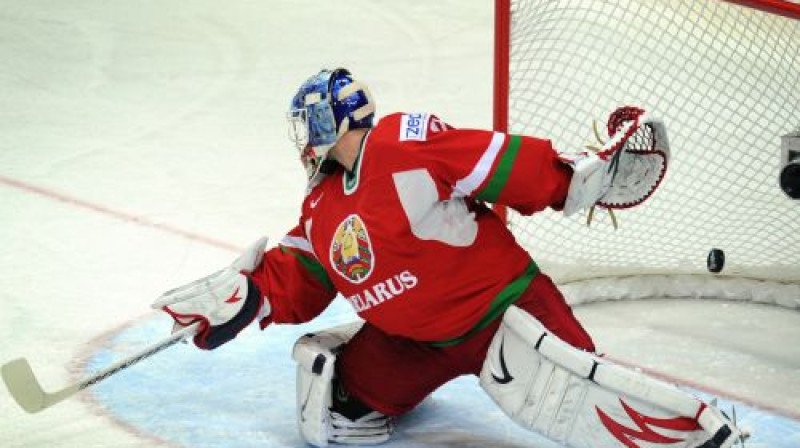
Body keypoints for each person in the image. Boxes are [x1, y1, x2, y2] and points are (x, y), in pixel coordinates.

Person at [153, 69, 740, 448]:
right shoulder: (320, 206)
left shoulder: (401, 145)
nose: (302, 142)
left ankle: (704, 434)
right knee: (332, 406)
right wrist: (241, 298)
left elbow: (491, 160)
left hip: (504, 313)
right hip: (412, 343)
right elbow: (300, 278)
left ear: (330, 124)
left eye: (307, 127)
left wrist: (566, 181)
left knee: (591, 401)